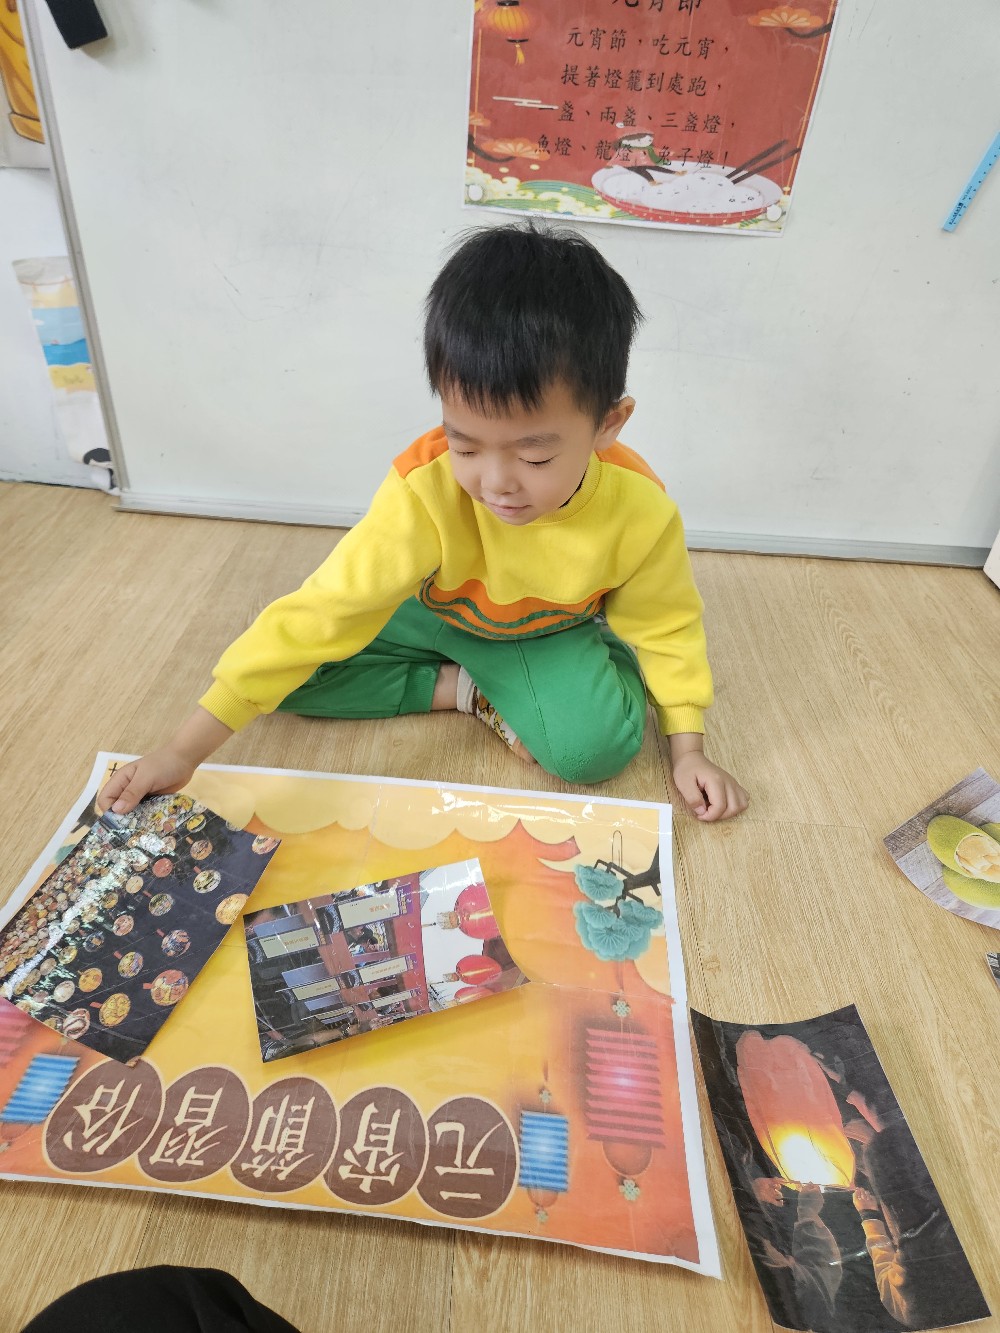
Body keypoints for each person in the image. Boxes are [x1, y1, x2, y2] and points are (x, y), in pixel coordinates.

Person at [99, 223, 748, 821]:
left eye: (535, 456)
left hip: (544, 628)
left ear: (609, 423)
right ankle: (465, 689)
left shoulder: (641, 509)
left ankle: (575, 663)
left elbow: (666, 624)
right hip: (430, 608)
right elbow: (327, 610)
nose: (496, 483)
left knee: (593, 751)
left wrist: (687, 746)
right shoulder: (424, 488)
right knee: (285, 670)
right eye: (465, 446)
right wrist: (180, 752)